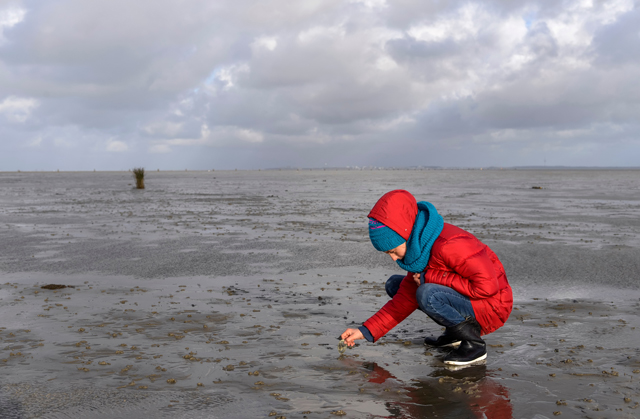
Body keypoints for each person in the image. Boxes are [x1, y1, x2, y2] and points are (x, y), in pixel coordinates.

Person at [340, 190, 513, 365]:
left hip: (493, 305)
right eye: (387, 253)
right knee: (395, 285)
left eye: (393, 250)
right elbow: (402, 302)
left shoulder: (448, 245)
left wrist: (430, 277)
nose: (392, 258)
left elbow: (487, 287)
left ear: (405, 234)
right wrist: (365, 330)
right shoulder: (419, 249)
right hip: (470, 299)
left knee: (427, 292)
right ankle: (455, 334)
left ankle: (474, 345)